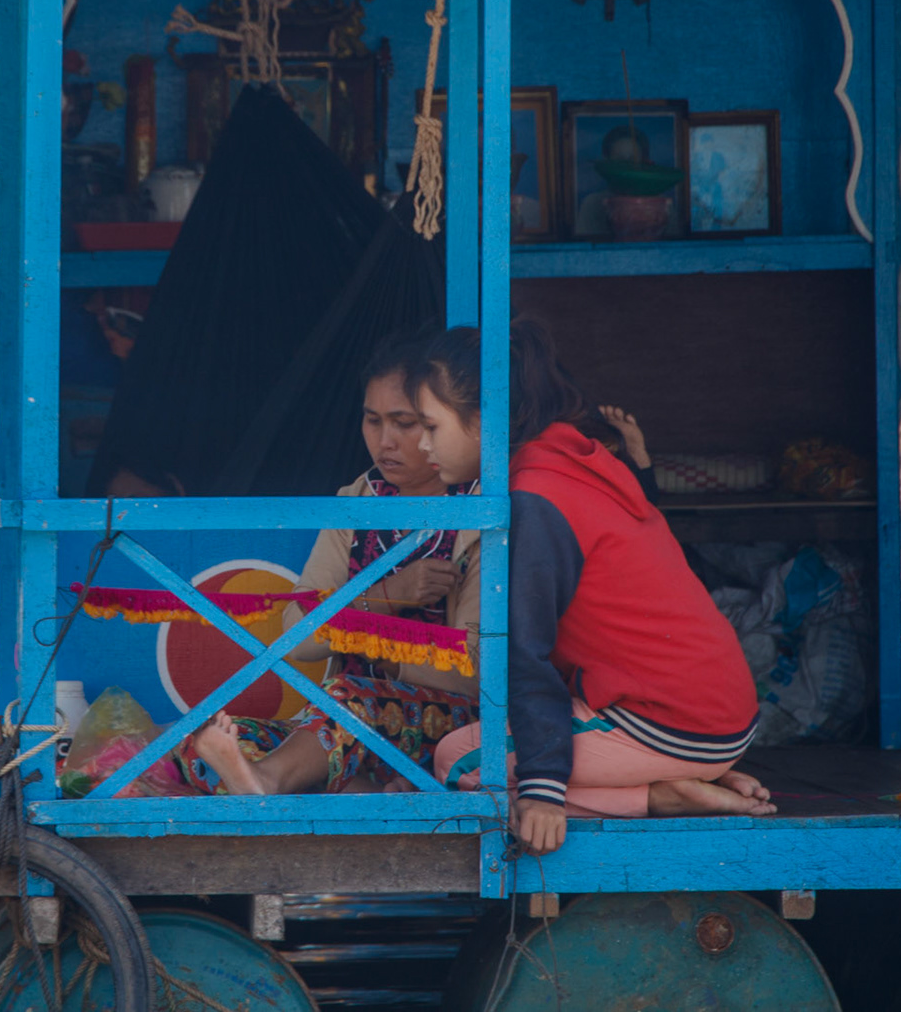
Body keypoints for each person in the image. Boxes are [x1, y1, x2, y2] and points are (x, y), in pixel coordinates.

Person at [417, 321, 772, 855]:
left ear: (483, 420)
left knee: (457, 760)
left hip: (669, 724)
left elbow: (526, 651)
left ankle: (660, 796)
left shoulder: (536, 495)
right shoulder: (572, 457)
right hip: (718, 714)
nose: (422, 445)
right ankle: (676, 776)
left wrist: (542, 788)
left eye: (430, 425)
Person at [183, 335, 480, 795]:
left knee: (348, 700)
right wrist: (385, 598)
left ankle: (271, 782)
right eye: (372, 420)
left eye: (405, 423)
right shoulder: (357, 501)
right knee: (196, 742)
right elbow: (297, 637)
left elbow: (477, 672)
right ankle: (348, 786)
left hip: (454, 726)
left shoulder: (480, 513)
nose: (384, 441)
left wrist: (377, 650)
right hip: (345, 723)